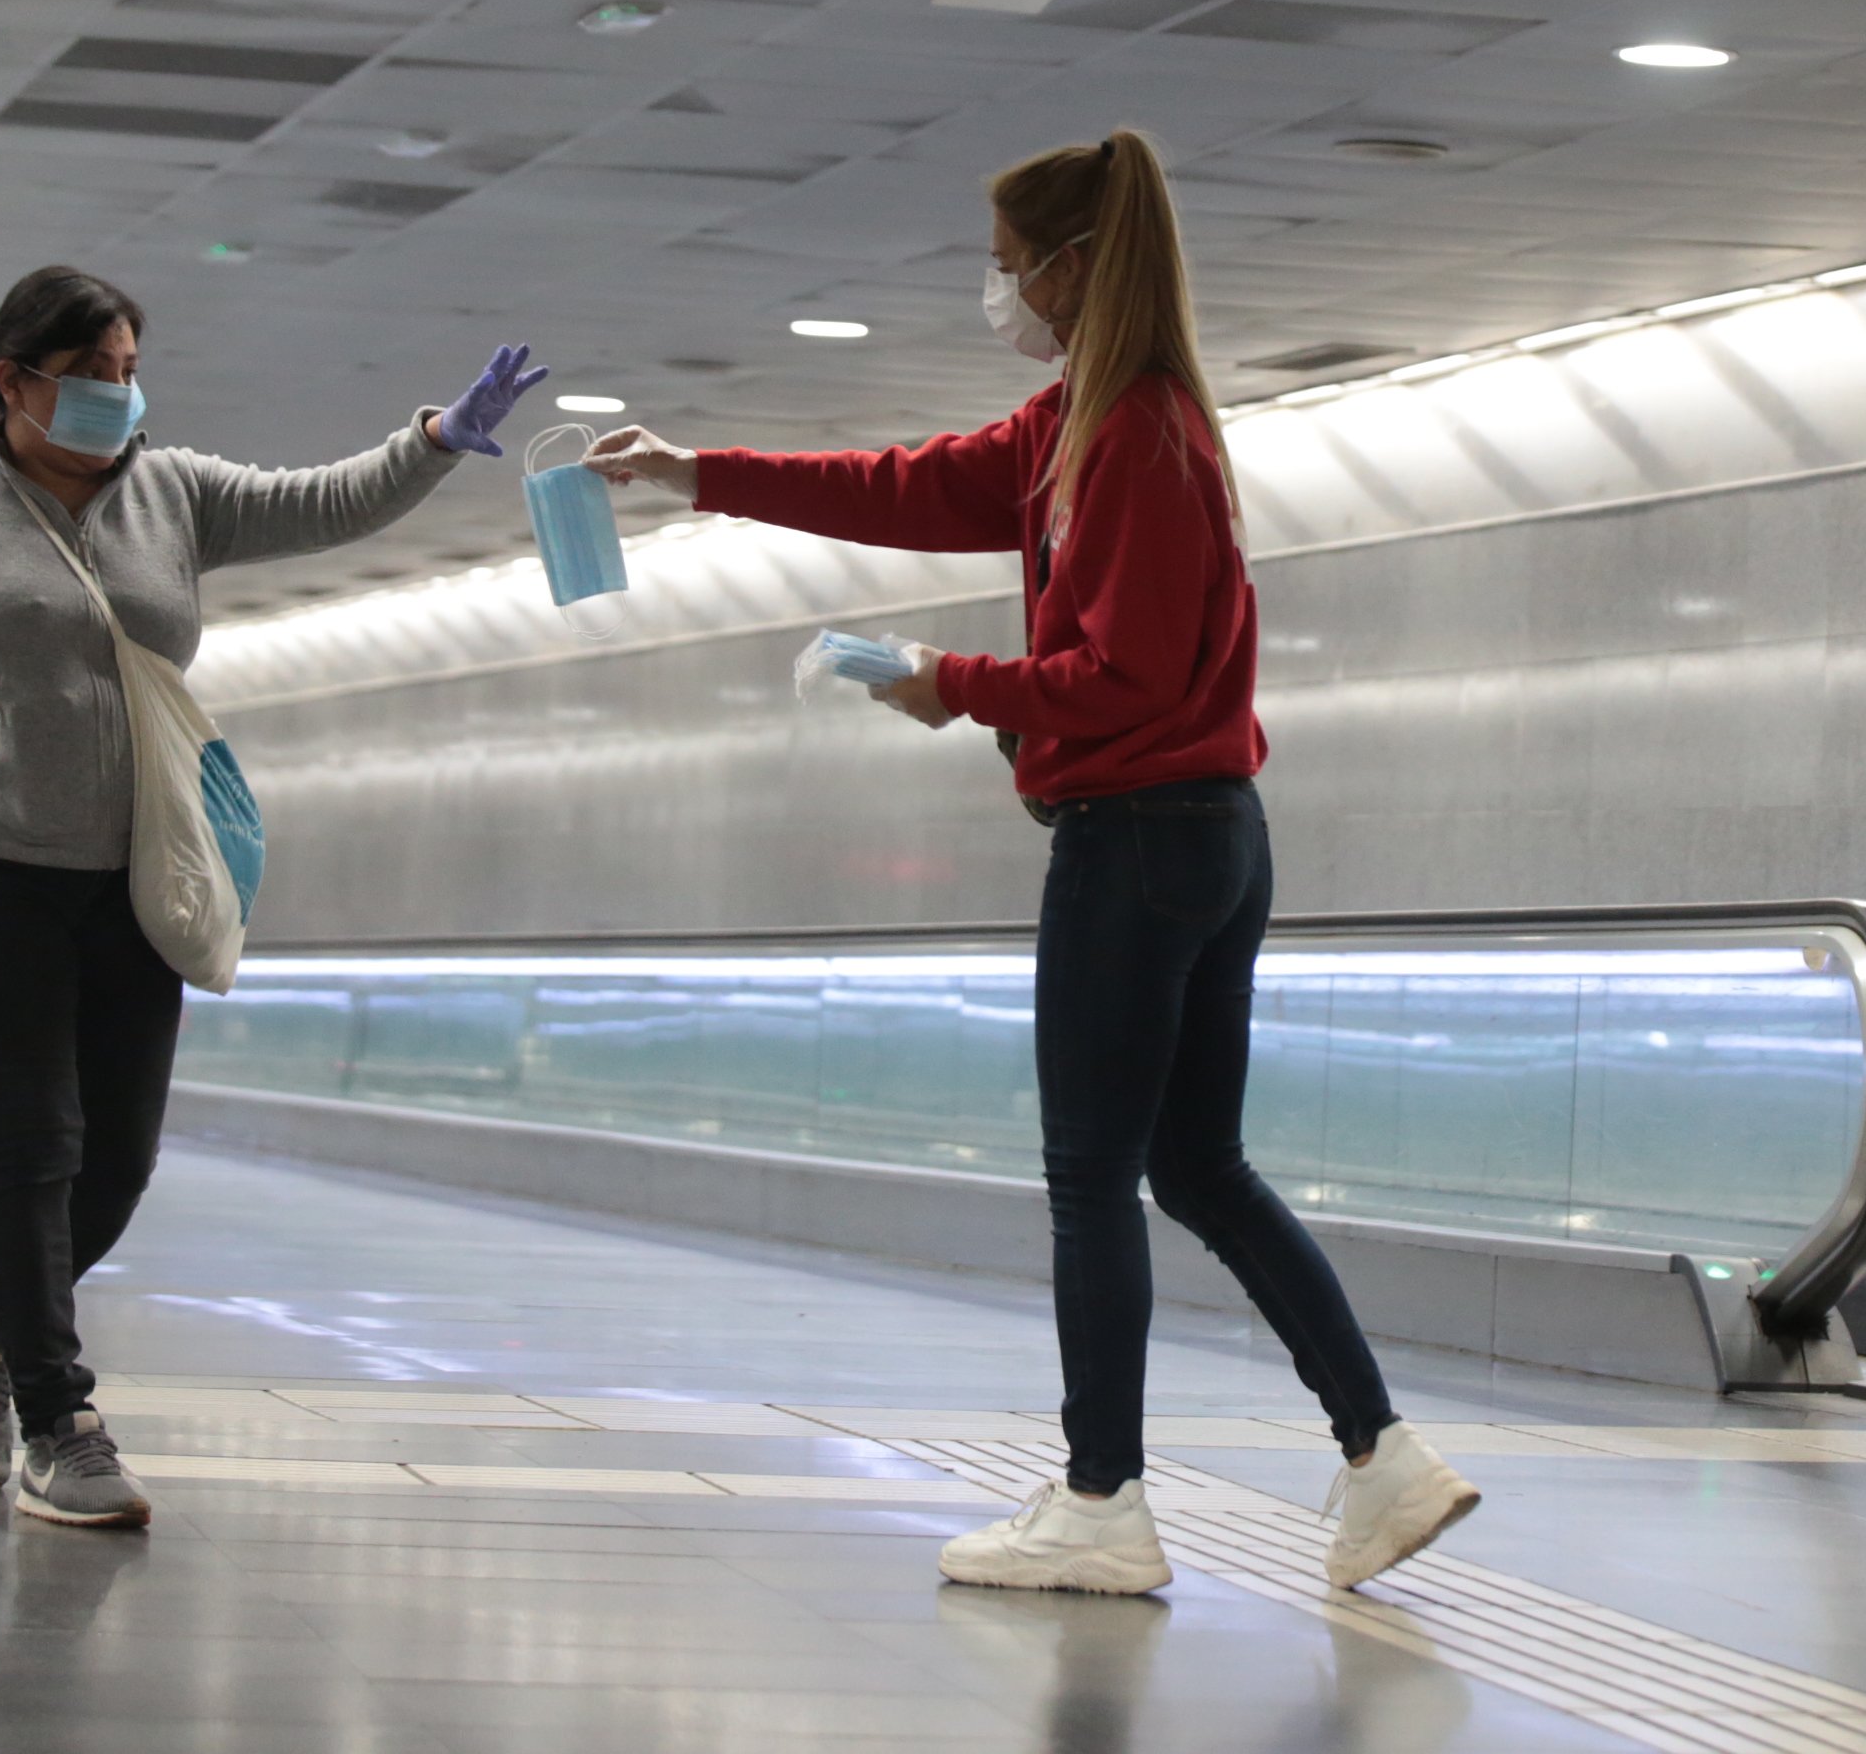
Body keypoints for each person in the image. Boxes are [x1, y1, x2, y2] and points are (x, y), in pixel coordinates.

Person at [585, 130, 1482, 1596]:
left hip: (1141, 843)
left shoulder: (1136, 436)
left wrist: (958, 683)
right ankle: (1384, 1459)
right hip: (1207, 835)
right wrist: (702, 477)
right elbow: (909, 487)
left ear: (1075, 266)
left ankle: (1103, 1503)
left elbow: (1119, 676)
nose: (996, 288)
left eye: (1010, 265)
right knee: (1199, 1167)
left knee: (1093, 1178)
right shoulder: (1087, 422)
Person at [0, 263, 547, 1528]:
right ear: (11, 376)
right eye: (91, 375)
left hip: (135, 866)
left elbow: (319, 505)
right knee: (35, 1137)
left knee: (119, 1160)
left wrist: (430, 442)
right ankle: (57, 1418)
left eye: (131, 370)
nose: (116, 394)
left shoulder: (175, 492)